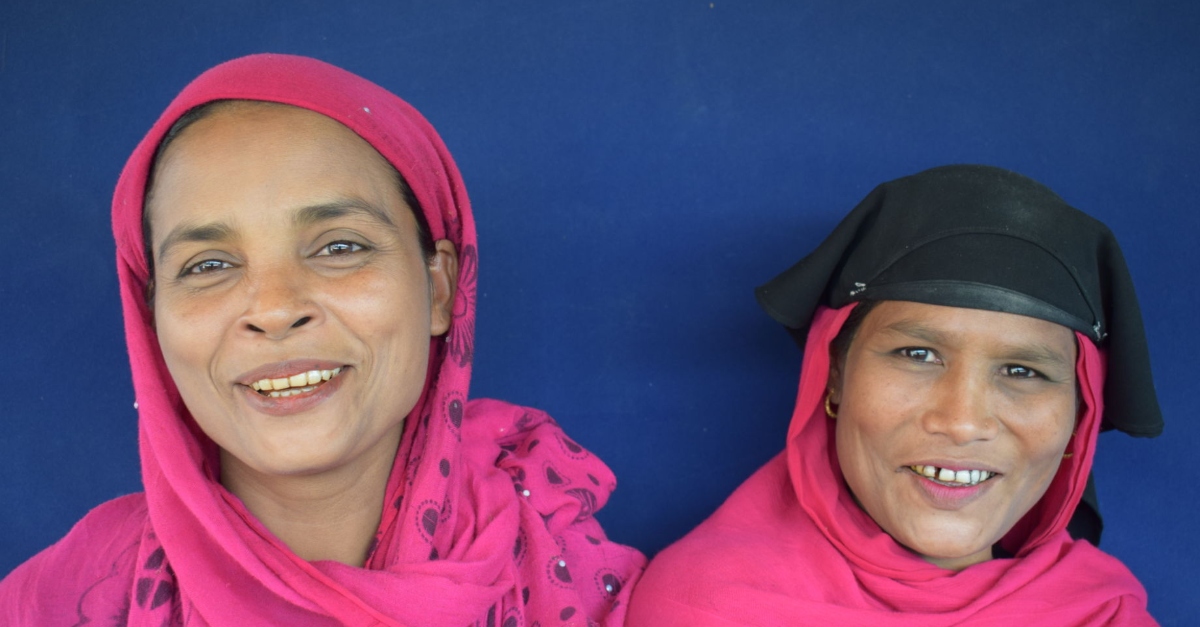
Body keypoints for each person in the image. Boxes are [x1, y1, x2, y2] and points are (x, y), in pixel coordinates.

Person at [0, 53, 644, 626]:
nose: (275, 309)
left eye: (340, 247)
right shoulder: (71, 601)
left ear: (441, 288)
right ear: (151, 322)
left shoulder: (571, 573)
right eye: (208, 265)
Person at [627, 164, 1162, 625]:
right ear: (833, 374)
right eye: (918, 355)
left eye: (1022, 370)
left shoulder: (1105, 612)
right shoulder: (706, 608)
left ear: (1079, 415)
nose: (962, 421)